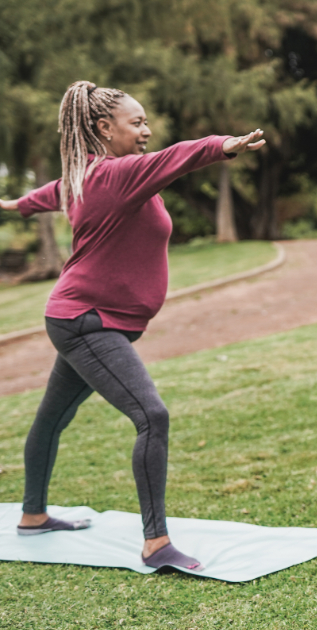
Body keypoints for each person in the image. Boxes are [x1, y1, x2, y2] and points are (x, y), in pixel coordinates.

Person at [0, 81, 265, 570]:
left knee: (51, 418)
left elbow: (52, 193)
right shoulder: (115, 176)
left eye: (145, 122)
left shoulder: (86, 176)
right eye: (137, 122)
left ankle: (33, 515)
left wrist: (14, 206)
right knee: (152, 416)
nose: (146, 130)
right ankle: (156, 543)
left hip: (86, 318)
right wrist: (224, 146)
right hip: (87, 322)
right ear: (104, 127)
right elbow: (179, 157)